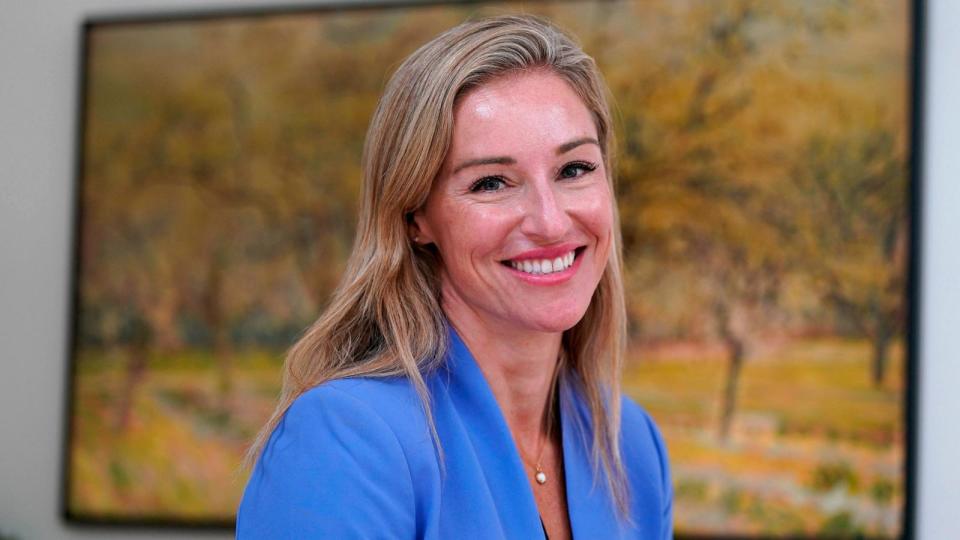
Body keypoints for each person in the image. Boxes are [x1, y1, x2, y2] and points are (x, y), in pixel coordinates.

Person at [237, 14, 672, 539]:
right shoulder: (345, 442)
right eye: (492, 182)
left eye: (574, 169)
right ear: (416, 217)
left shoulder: (633, 447)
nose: (551, 222)